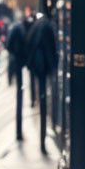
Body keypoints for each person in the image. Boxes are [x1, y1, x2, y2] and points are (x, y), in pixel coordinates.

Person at [26, 13, 57, 154]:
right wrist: (53, 68)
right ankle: (43, 143)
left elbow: (29, 44)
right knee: (44, 101)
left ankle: (42, 140)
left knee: (42, 98)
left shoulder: (36, 26)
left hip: (37, 67)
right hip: (42, 67)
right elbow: (50, 49)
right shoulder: (46, 26)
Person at [6, 15, 34, 140]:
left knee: (20, 93)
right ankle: (18, 132)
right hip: (18, 61)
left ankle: (19, 130)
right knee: (19, 93)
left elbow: (9, 45)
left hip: (18, 61)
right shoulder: (20, 29)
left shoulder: (18, 28)